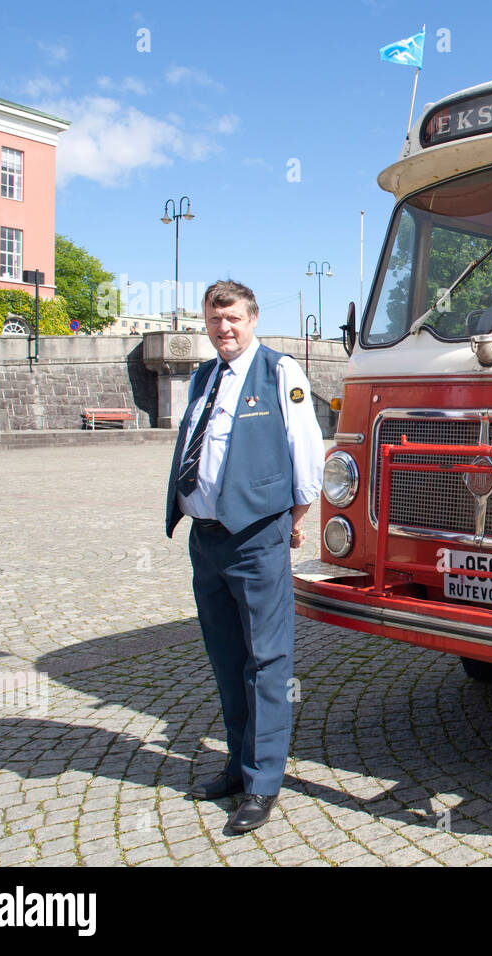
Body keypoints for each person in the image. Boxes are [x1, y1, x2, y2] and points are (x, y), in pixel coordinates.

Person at [165, 280, 323, 833]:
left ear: (253, 319)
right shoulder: (203, 376)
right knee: (227, 657)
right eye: (215, 321)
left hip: (257, 537)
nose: (224, 329)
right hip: (205, 540)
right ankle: (236, 764)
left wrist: (295, 520)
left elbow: (307, 448)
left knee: (267, 661)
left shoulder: (279, 372)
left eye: (232, 319)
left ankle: (262, 782)